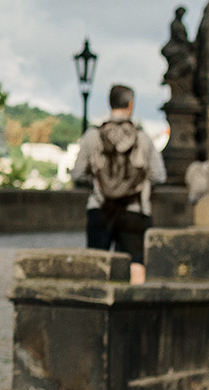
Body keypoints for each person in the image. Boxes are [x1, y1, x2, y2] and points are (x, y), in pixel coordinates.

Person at [71, 83, 165, 266]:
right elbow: (158, 175)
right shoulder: (142, 138)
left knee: (97, 265)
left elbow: (78, 173)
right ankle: (135, 293)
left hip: (100, 208)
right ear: (131, 105)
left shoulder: (93, 136)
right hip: (134, 210)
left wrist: (98, 182)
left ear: (110, 103)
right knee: (136, 264)